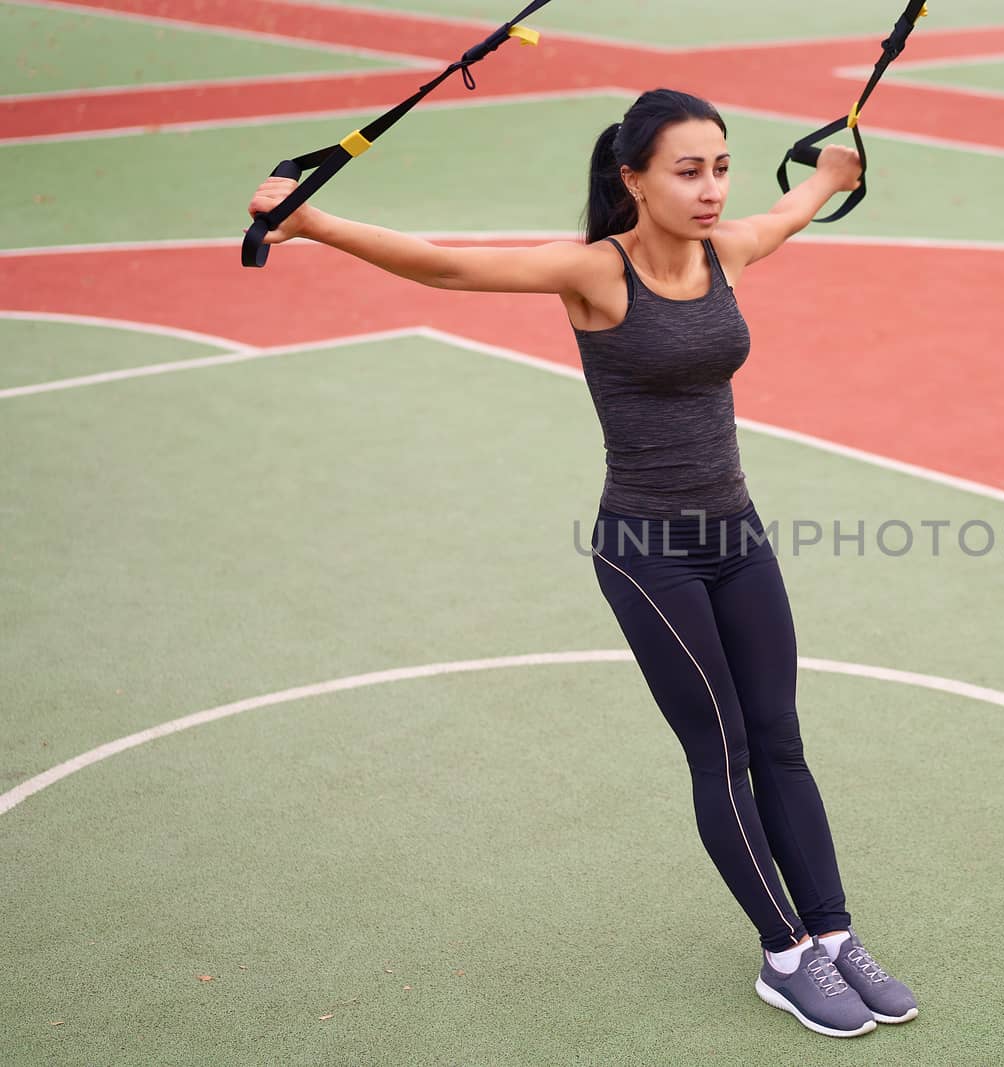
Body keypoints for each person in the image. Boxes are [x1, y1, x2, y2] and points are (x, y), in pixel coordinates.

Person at [245, 87, 917, 1039]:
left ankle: (835, 930)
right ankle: (784, 955)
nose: (713, 188)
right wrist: (309, 220)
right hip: (648, 550)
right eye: (688, 170)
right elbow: (444, 268)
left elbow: (789, 211)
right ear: (632, 178)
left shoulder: (727, 254)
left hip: (739, 535)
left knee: (781, 738)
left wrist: (829, 177)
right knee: (721, 751)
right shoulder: (595, 274)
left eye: (721, 166)